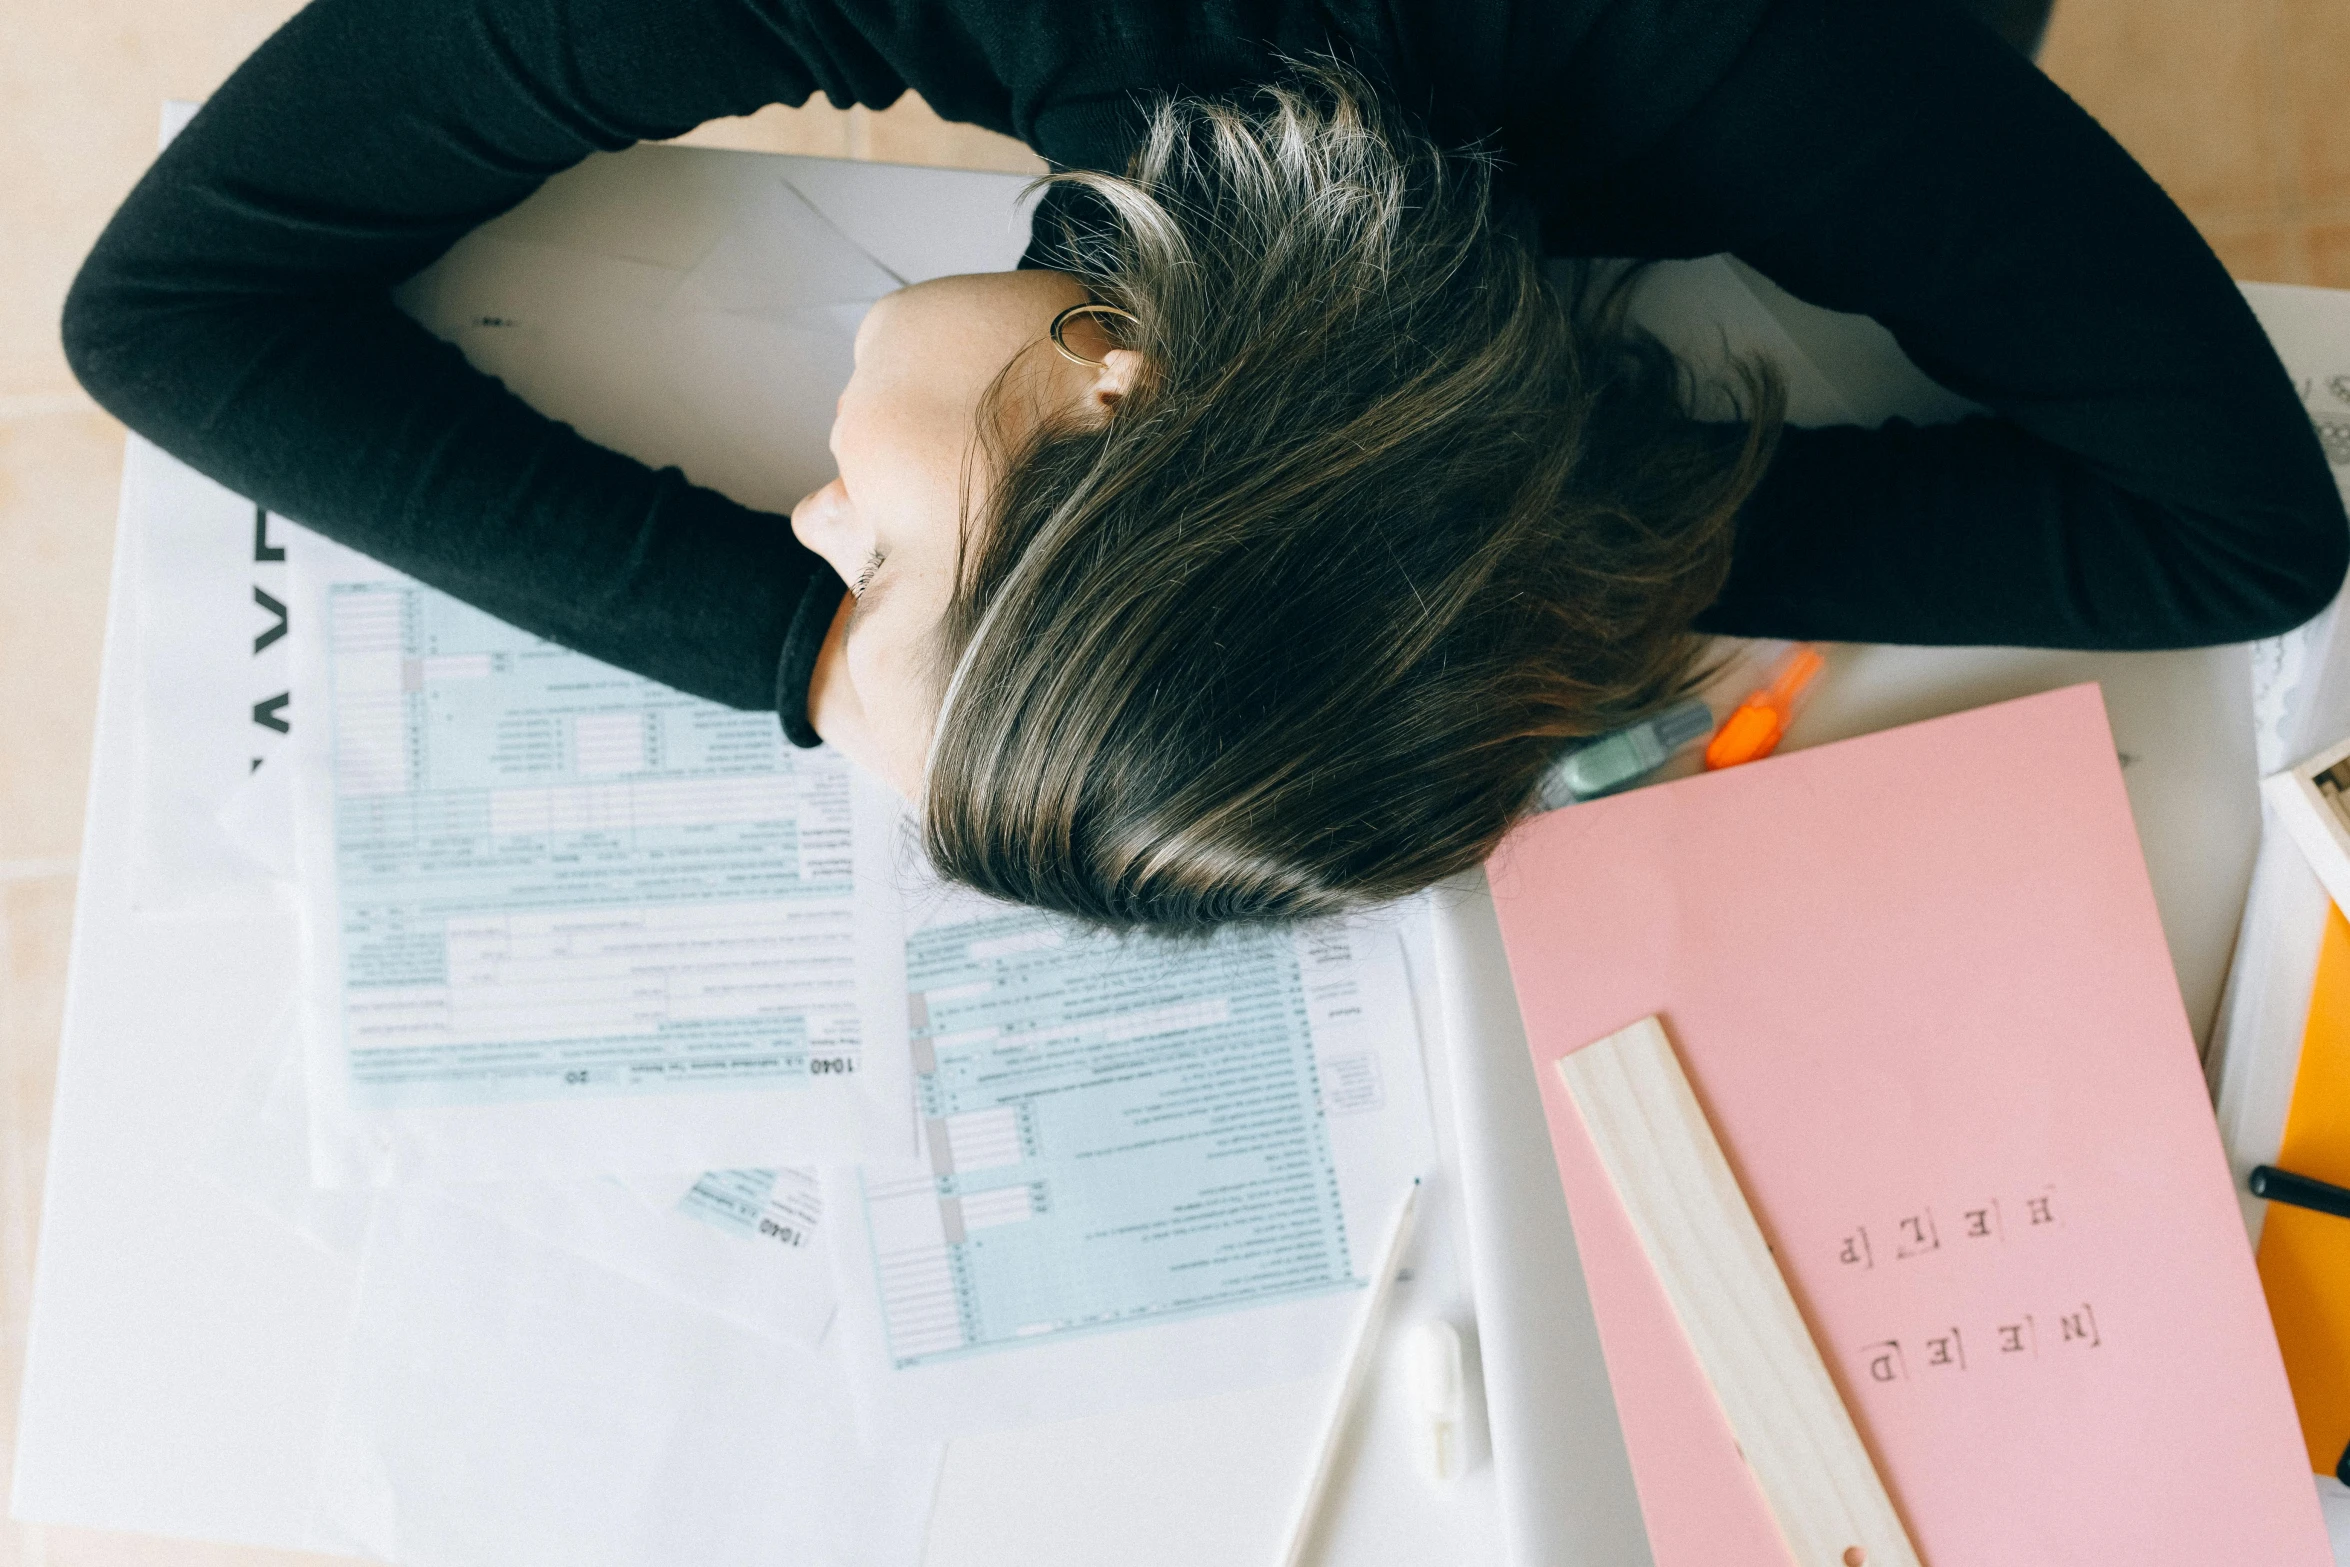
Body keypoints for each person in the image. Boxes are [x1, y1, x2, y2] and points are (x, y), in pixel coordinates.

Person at [64, 0, 2348, 929]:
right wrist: (784, 653)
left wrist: (1478, 530)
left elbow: (2236, 543)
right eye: (881, 562)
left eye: (828, 560)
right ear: (1106, 393)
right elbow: (163, 318)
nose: (810, 524)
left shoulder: (1763, 89)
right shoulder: (1730, 57)